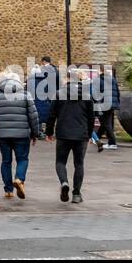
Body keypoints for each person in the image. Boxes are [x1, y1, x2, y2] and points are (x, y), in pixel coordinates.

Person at [0, 67, 40, 199]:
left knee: (6, 161)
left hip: (3, 135)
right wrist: (35, 134)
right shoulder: (26, 95)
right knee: (22, 159)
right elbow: (33, 116)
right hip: (22, 134)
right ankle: (19, 179)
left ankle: (8, 190)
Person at [46, 67, 94, 203]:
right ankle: (77, 194)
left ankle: (64, 182)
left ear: (67, 79)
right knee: (79, 164)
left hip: (63, 134)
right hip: (81, 134)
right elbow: (91, 117)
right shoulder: (86, 95)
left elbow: (51, 115)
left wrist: (49, 132)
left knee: (60, 162)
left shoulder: (59, 94)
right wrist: (89, 134)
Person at [94, 66, 121, 151]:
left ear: (100, 71)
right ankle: (96, 139)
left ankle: (112, 143)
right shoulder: (112, 79)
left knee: (106, 124)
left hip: (104, 104)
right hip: (112, 104)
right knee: (104, 121)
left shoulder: (99, 80)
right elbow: (117, 91)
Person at [31, 56, 58, 130]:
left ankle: (42, 130)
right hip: (52, 93)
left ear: (44, 61)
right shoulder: (55, 69)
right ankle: (49, 130)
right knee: (50, 112)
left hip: (45, 93)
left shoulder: (44, 71)